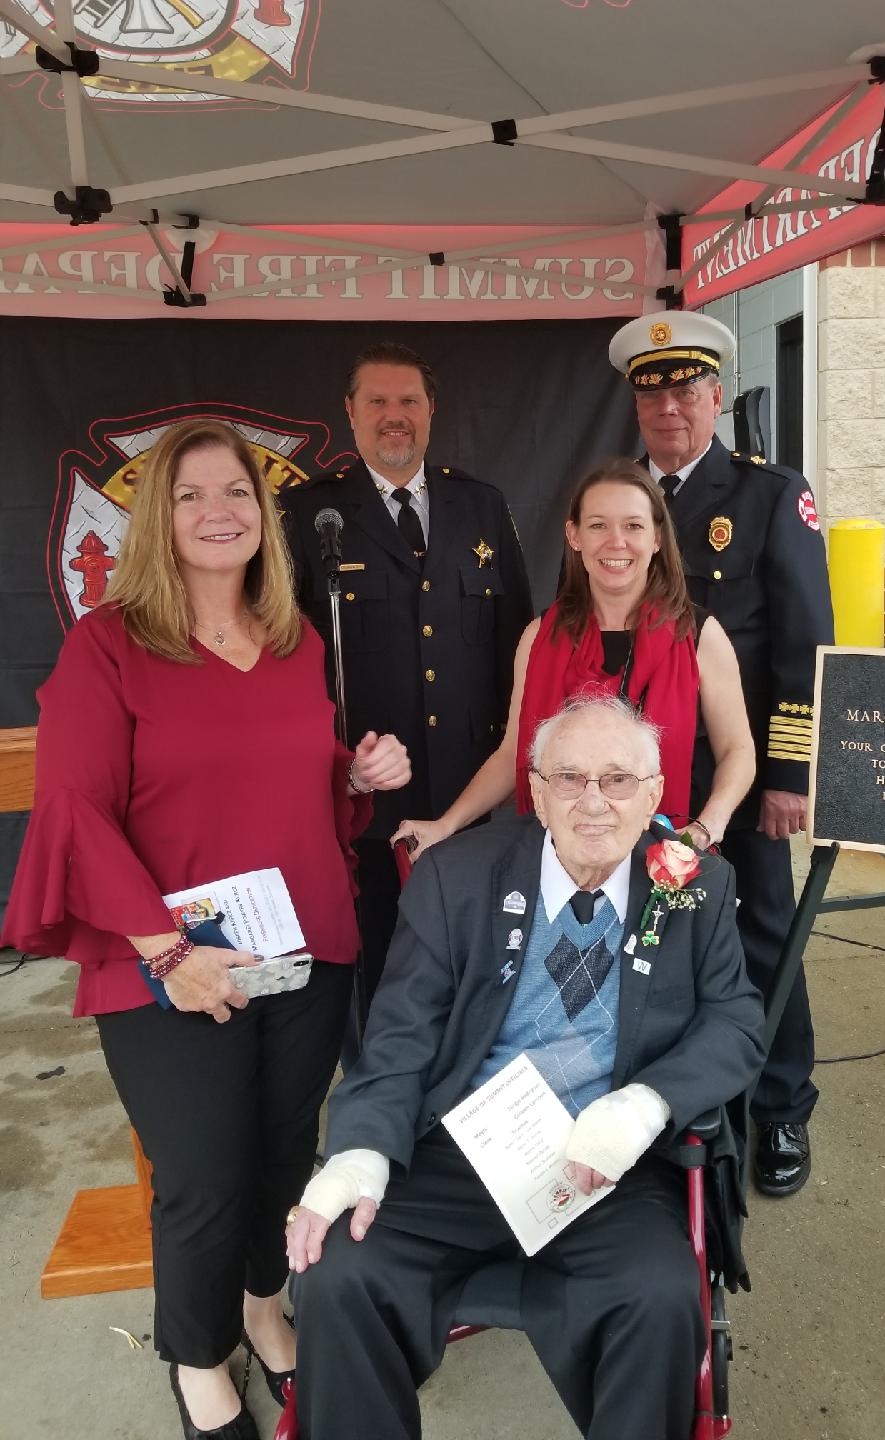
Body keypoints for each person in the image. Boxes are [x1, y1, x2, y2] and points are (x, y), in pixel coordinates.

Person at [0, 419, 410, 1440]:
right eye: (190, 496)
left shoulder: (294, 640)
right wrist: (168, 954)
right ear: (158, 520)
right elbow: (77, 816)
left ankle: (263, 1307)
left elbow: (307, 795)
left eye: (235, 493)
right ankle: (195, 1357)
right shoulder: (108, 646)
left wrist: (353, 777)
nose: (218, 512)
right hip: (170, 966)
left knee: (283, 1153)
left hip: (299, 949)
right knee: (202, 1177)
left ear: (261, 515)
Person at [286, 695, 765, 1440]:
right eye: (569, 778)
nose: (593, 802)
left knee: (661, 1295)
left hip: (606, 1164)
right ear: (535, 791)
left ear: (655, 794)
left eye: (617, 780)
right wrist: (361, 1151)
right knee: (338, 1271)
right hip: (459, 1149)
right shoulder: (458, 878)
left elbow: (736, 1021)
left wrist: (644, 1106)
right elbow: (400, 1034)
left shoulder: (698, 885)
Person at [607, 311, 834, 1199]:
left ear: (716, 399)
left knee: (765, 933)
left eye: (687, 389)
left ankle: (781, 1108)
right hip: (640, 781)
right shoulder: (617, 500)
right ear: (637, 404)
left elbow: (804, 647)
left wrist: (787, 776)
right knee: (657, 938)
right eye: (653, 391)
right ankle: (679, 1097)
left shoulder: (768, 496)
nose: (670, 407)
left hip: (735, 779)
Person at [280, 342, 532, 1054]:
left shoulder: (481, 505)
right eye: (379, 402)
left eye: (410, 402)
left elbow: (520, 649)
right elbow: (281, 662)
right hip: (365, 803)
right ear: (350, 415)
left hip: (471, 794)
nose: (396, 417)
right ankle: (382, 1111)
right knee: (380, 969)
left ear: (431, 411)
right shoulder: (307, 516)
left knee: (482, 960)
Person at [391, 456, 756, 863]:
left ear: (657, 537)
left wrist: (706, 829)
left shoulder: (699, 635)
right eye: (598, 525)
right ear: (574, 535)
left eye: (633, 526)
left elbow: (738, 750)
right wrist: (445, 825)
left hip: (658, 859)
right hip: (553, 858)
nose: (616, 542)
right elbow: (515, 752)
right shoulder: (538, 637)